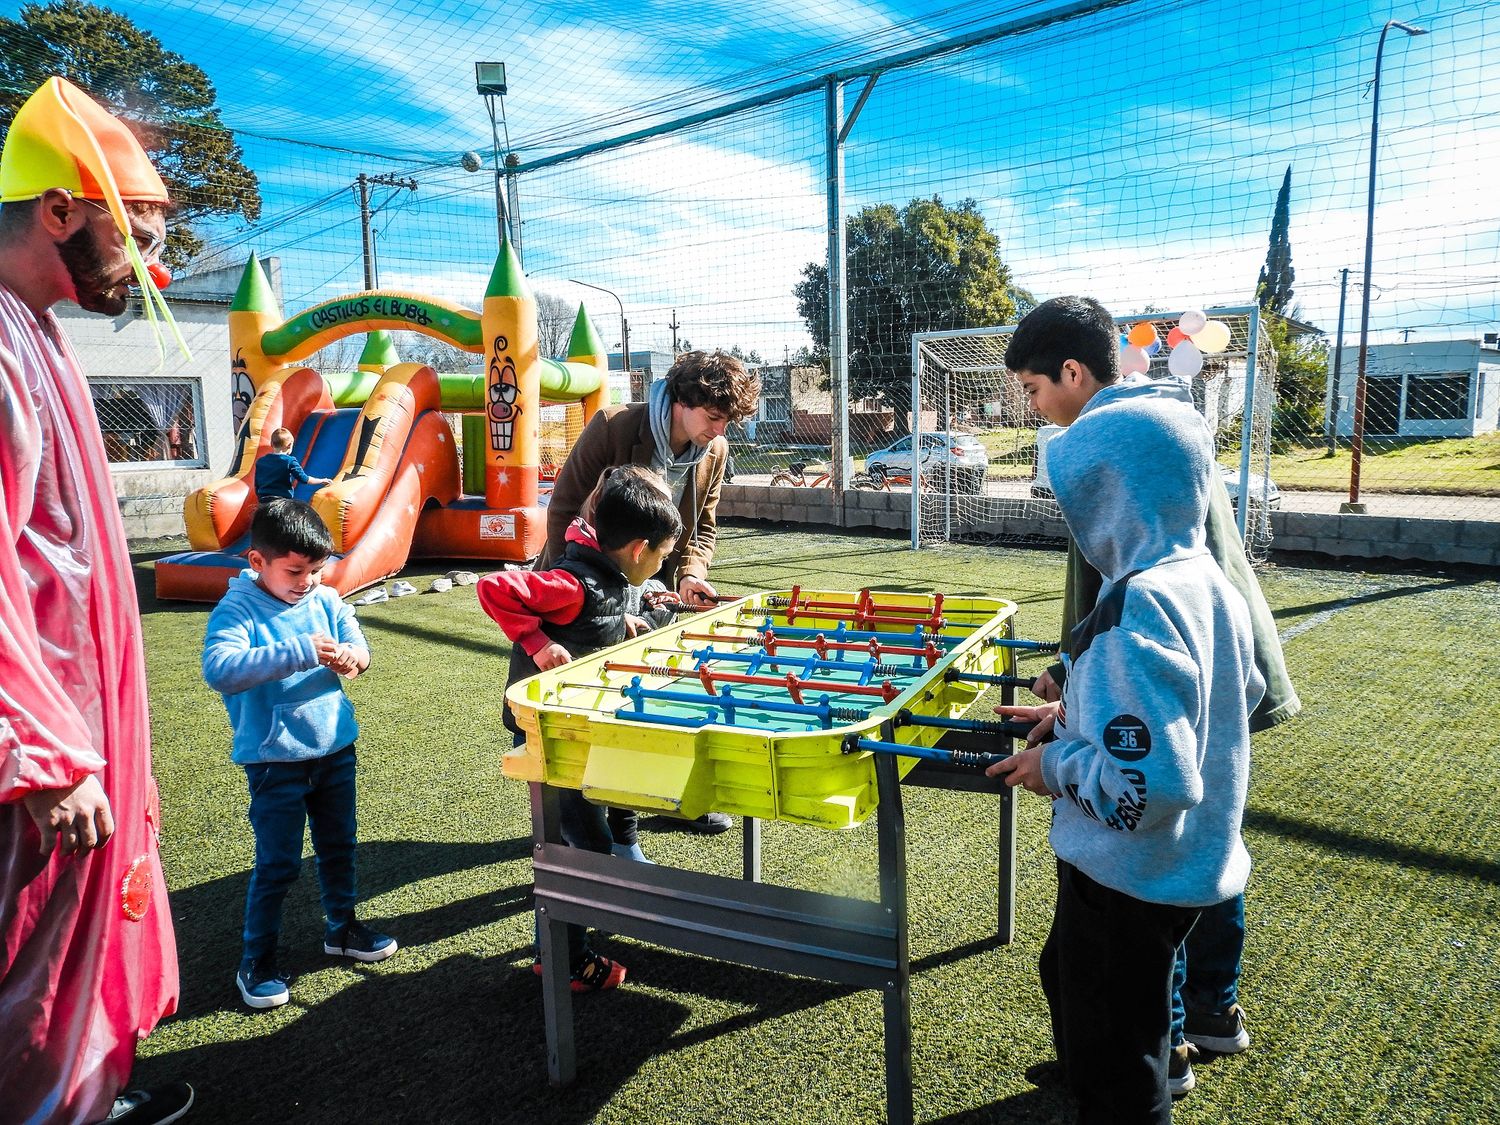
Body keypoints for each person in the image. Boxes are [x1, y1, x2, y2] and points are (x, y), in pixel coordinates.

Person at [1000, 296, 1301, 1095]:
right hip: (1182, 867)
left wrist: (1058, 764)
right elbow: (1203, 704)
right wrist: (1074, 714)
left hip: (1134, 869)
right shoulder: (1205, 581)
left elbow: (1155, 784)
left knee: (1119, 1049)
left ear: (1114, 498)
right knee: (1069, 974)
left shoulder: (1142, 602)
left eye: (1085, 500)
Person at [0, 77, 194, 1124]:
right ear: (61, 211)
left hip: (79, 723)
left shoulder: (36, 329)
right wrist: (39, 753)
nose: (148, 265)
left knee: (66, 938)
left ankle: (86, 1095)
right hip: (39, 748)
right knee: (24, 950)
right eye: (136, 233)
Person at [478, 466, 683, 991]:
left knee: (587, 841)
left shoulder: (607, 574)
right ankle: (562, 960)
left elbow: (597, 618)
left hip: (574, 729)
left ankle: (568, 935)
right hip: (549, 738)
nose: (663, 564)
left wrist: (626, 624)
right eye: (662, 554)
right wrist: (537, 643)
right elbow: (496, 587)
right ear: (637, 549)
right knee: (580, 851)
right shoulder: (572, 583)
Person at [540, 350, 757, 835]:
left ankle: (666, 800)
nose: (720, 431)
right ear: (683, 399)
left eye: (728, 422)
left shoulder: (715, 451)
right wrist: (583, 591)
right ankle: (596, 835)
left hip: (656, 594)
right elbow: (563, 509)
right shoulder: (614, 427)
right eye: (714, 417)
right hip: (585, 588)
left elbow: (703, 529)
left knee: (652, 697)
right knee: (589, 710)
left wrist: (689, 576)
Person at [202, 499, 396, 1010]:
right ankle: (256, 961)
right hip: (273, 763)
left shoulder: (326, 599)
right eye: (295, 570)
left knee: (339, 846)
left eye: (316, 569)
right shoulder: (239, 608)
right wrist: (300, 650)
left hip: (334, 749)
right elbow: (220, 668)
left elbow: (357, 642)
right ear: (256, 563)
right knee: (278, 864)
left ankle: (342, 928)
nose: (307, 580)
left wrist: (355, 658)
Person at [253, 426, 332, 501]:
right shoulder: (289, 461)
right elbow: (304, 479)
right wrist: (321, 480)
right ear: (290, 445)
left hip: (263, 500)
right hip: (282, 500)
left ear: (271, 444)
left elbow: (257, 484)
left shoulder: (261, 461)